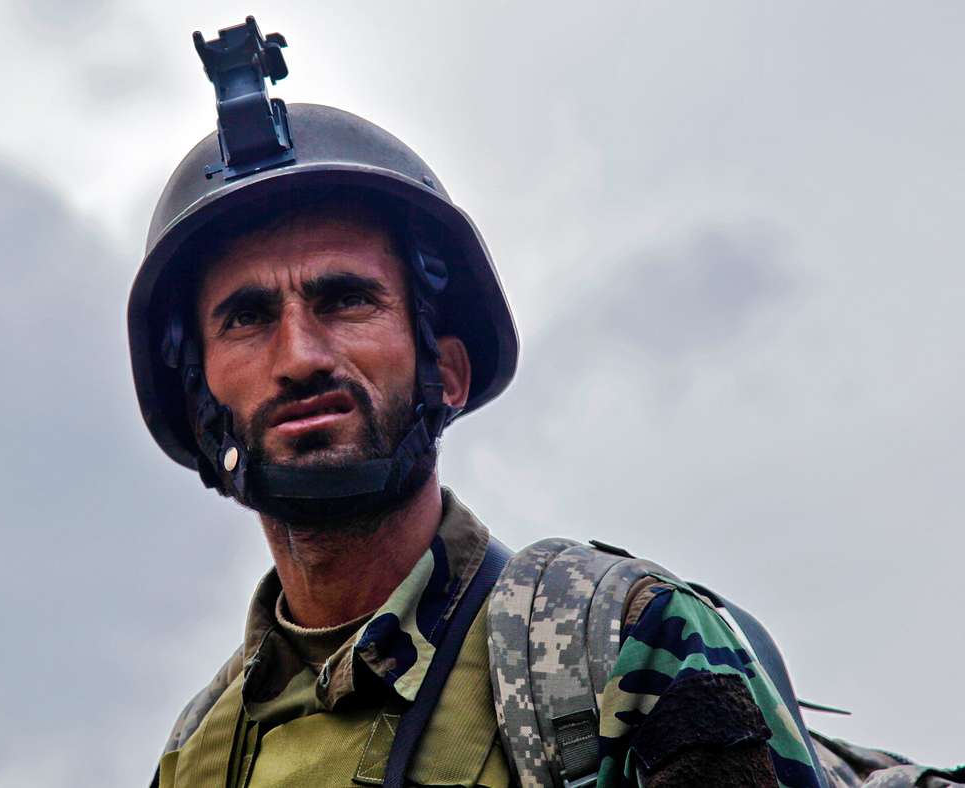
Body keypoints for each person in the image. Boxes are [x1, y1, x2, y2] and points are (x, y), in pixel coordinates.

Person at [129, 17, 825, 788]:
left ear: (448, 373)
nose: (299, 357)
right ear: (201, 411)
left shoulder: (620, 647)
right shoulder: (195, 759)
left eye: (346, 300)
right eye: (248, 318)